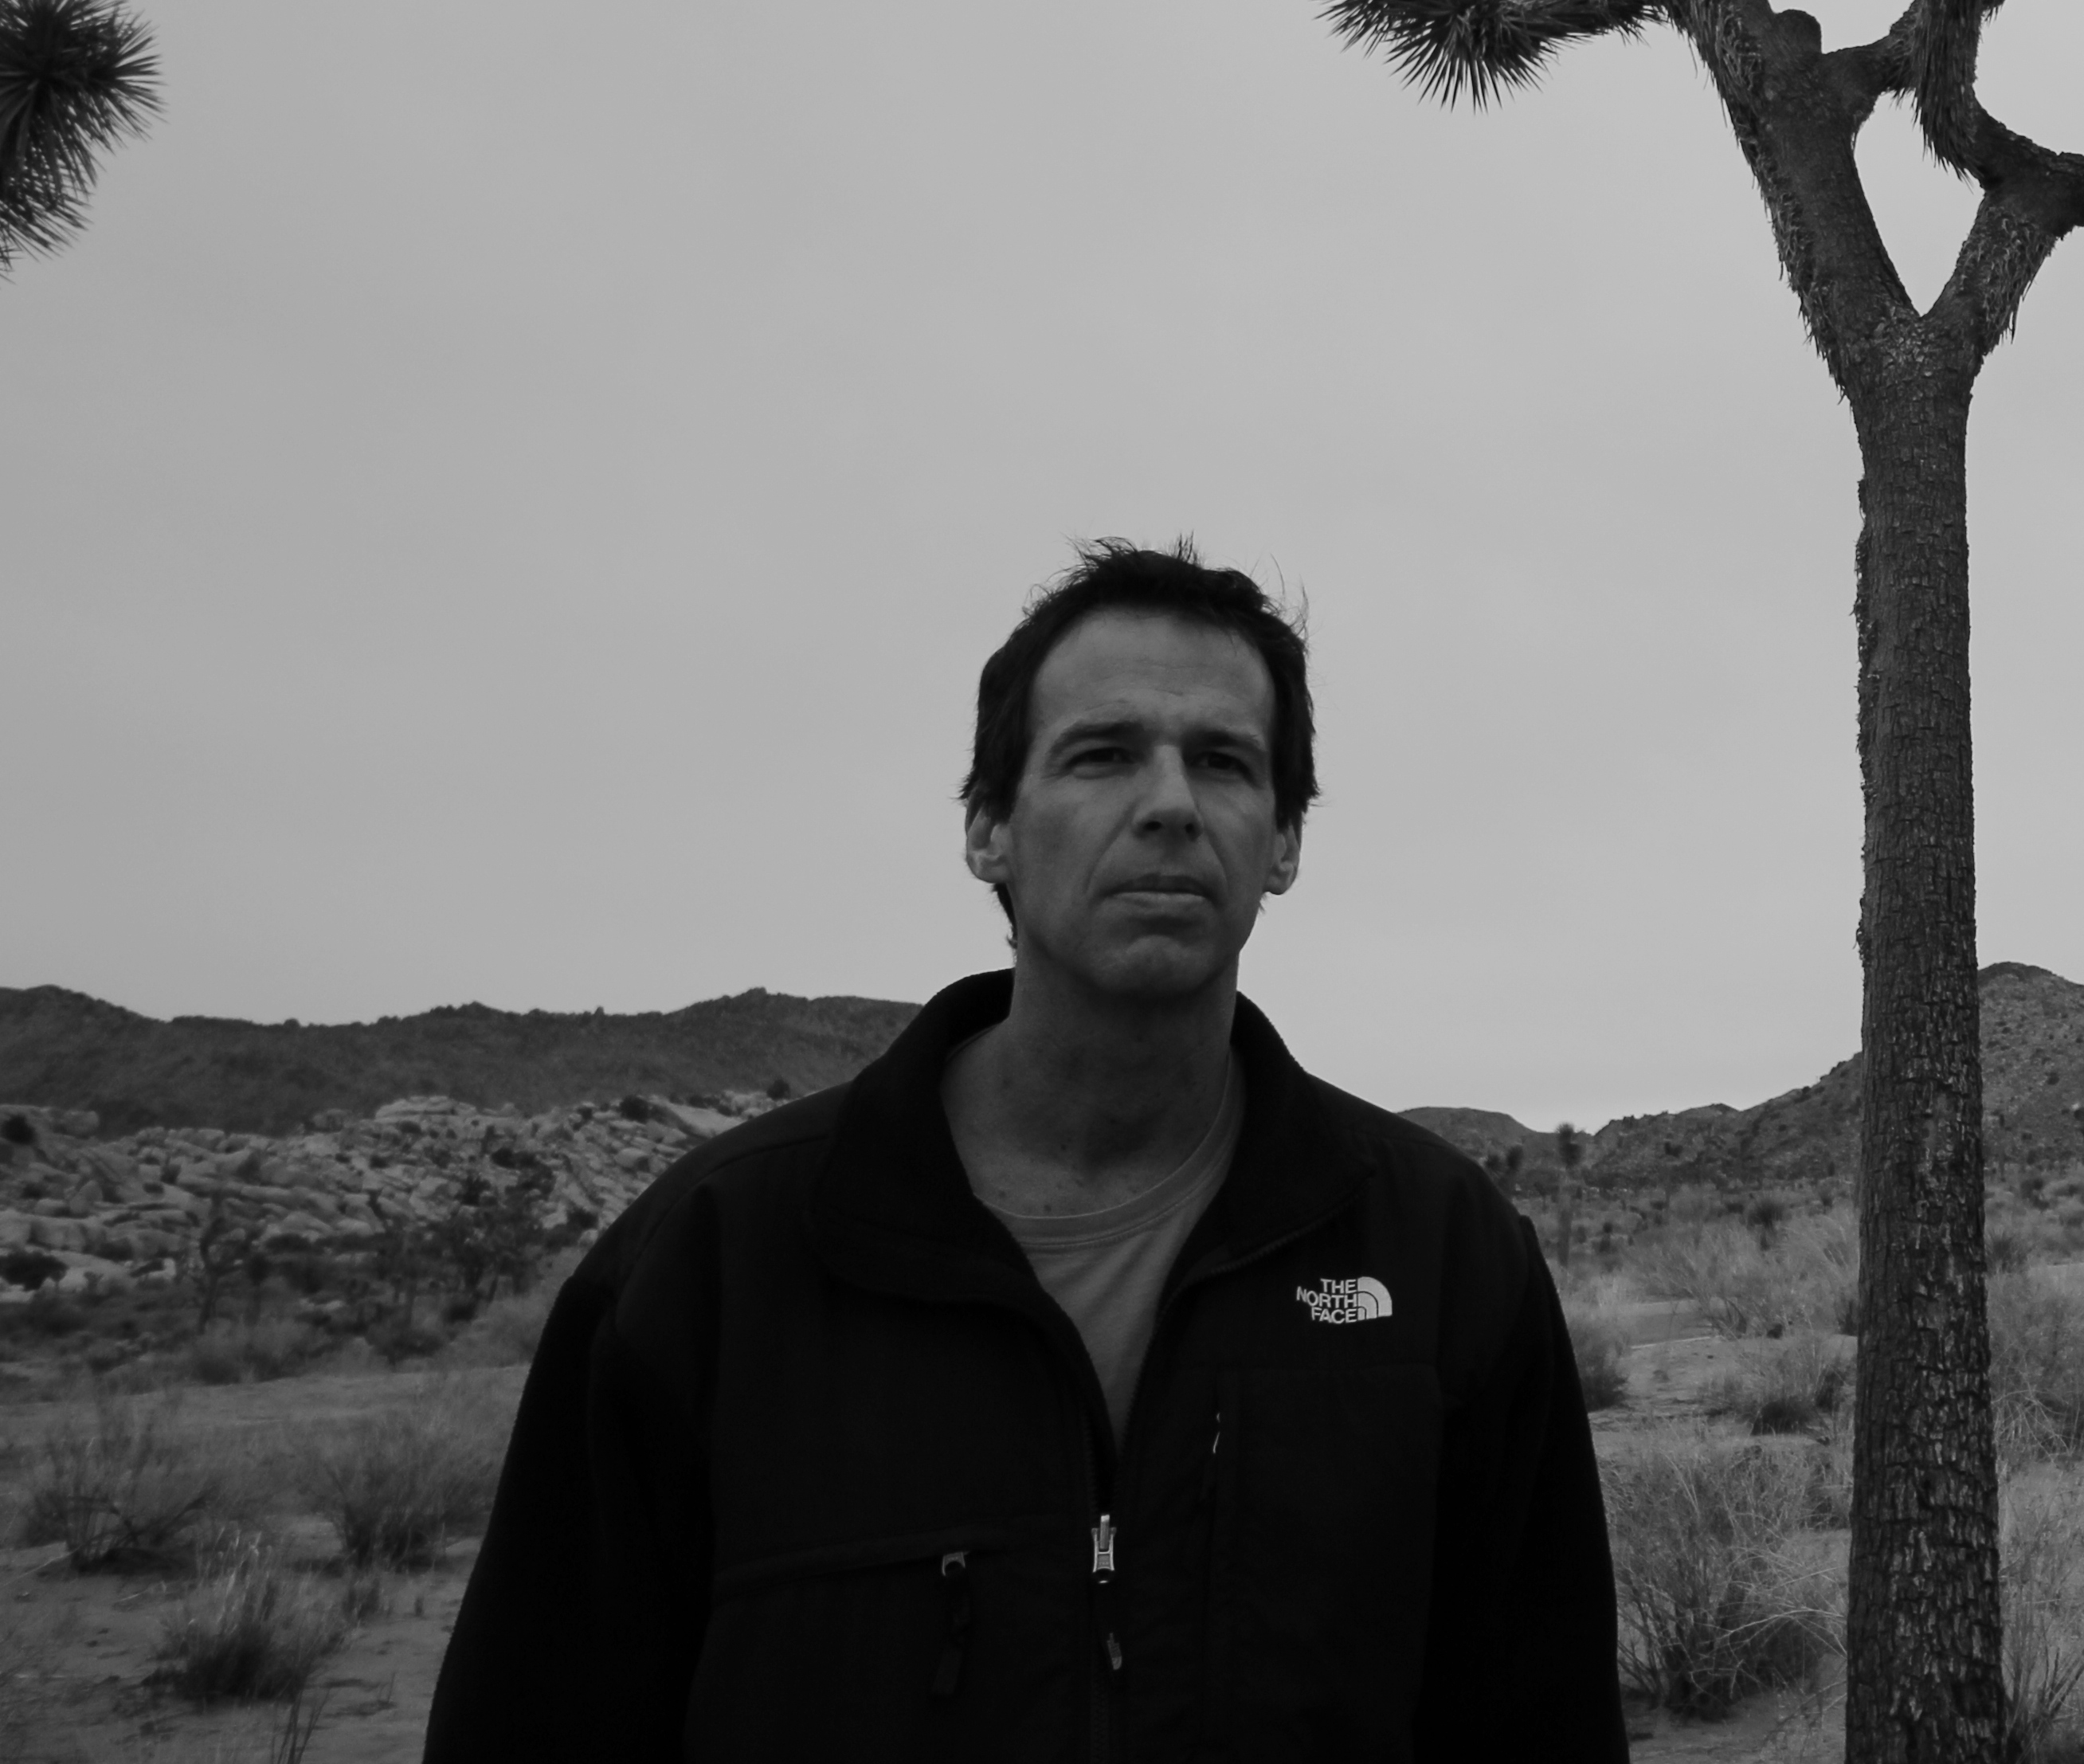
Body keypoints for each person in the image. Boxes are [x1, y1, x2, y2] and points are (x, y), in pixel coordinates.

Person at [429, 542, 1624, 1761]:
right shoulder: (713, 1268)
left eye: (1223, 761)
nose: (1170, 803)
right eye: (1103, 755)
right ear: (989, 827)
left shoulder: (1443, 1259)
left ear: (1284, 842)